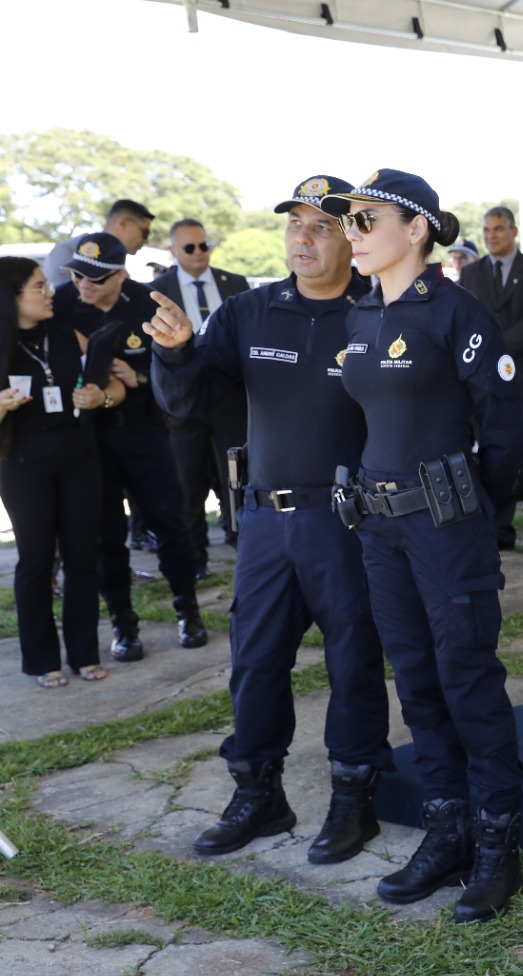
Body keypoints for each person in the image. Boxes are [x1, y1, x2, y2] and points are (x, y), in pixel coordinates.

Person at [146, 175, 395, 866]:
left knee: (352, 663)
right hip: (262, 522)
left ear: (350, 236)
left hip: (346, 523)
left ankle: (354, 797)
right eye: (295, 226)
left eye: (320, 227)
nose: (303, 239)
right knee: (254, 663)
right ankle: (258, 793)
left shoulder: (378, 313)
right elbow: (189, 401)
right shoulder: (249, 312)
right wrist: (173, 352)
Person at [328, 170, 523, 923]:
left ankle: (496, 843)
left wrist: (477, 512)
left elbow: (504, 432)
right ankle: (446, 831)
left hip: (447, 526)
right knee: (414, 678)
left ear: (416, 228)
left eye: (367, 219)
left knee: (466, 677)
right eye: (349, 220)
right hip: (379, 526)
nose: (353, 232)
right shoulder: (357, 320)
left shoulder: (458, 313)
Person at [56, 234, 207, 661]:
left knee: (170, 523)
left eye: (94, 278)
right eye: (77, 274)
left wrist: (137, 376)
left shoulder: (147, 303)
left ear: (120, 275)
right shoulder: (62, 304)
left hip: (144, 431)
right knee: (106, 536)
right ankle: (123, 625)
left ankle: (188, 612)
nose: (83, 283)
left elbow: (181, 365)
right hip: (89, 438)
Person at [0, 258, 122, 687]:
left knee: (82, 558)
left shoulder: (66, 331)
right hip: (22, 465)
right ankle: (42, 661)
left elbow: (116, 384)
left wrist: (101, 398)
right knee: (35, 561)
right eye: (38, 286)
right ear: (12, 295)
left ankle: (84, 653)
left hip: (80, 459)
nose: (48, 292)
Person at [458, 206, 523, 554]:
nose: (491, 236)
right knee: (494, 459)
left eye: (498, 229)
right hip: (485, 386)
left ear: (514, 232)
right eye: (487, 230)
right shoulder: (470, 275)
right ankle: (499, 530)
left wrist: (494, 347)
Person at [151, 218, 249, 574]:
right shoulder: (156, 289)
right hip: (185, 408)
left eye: (203, 245)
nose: (198, 253)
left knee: (235, 479)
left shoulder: (234, 284)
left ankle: (243, 544)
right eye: (189, 247)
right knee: (187, 484)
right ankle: (194, 560)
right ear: (173, 251)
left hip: (229, 401)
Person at [44, 199, 154, 287]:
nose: (146, 240)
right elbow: (58, 303)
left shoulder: (118, 264)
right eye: (145, 232)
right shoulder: (67, 251)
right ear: (123, 223)